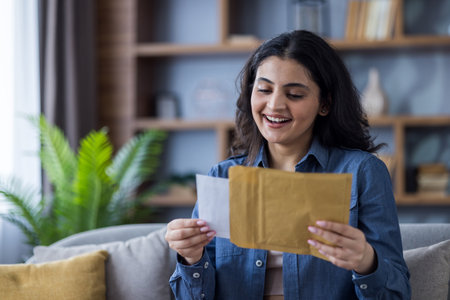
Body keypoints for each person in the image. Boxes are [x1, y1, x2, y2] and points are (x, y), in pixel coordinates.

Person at [165, 30, 410, 299]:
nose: (275, 105)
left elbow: (397, 293)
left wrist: (365, 260)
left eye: (294, 94)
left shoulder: (363, 172)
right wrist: (191, 258)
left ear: (325, 104)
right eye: (264, 90)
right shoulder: (224, 176)